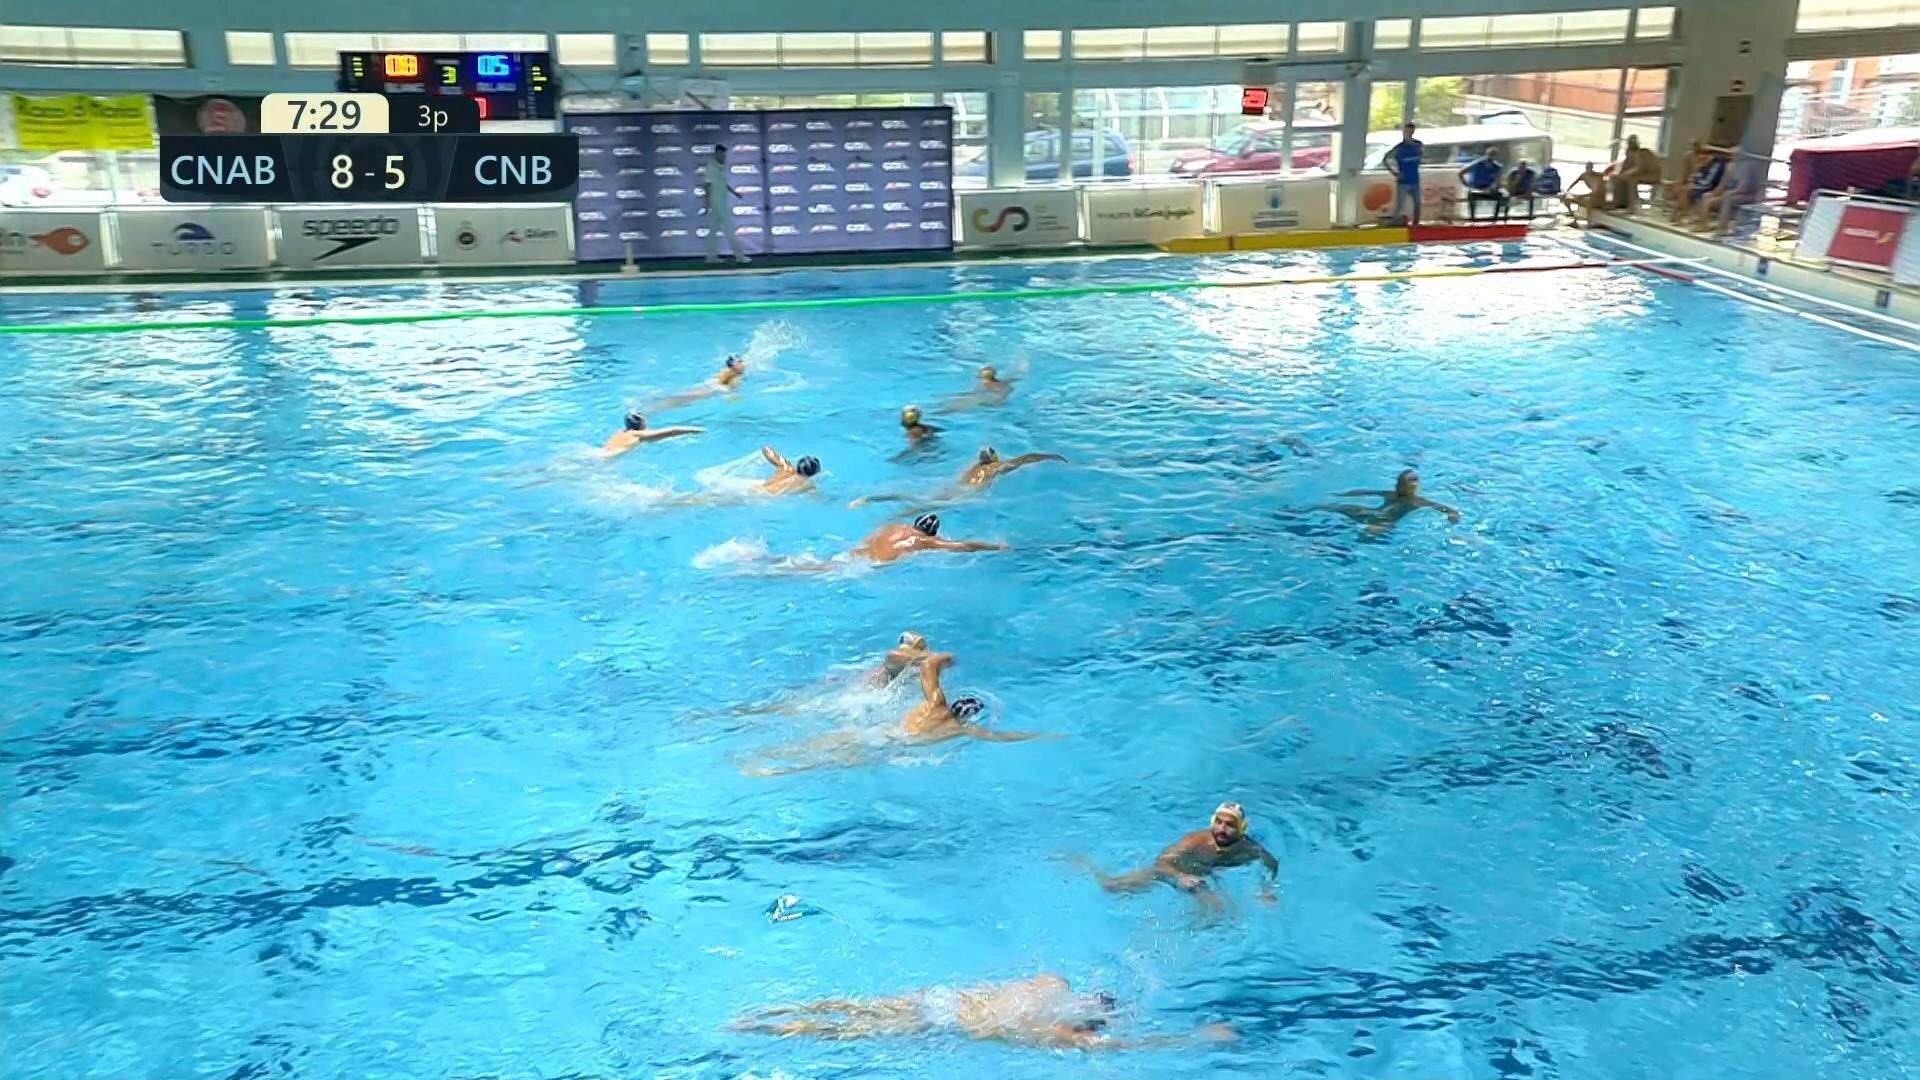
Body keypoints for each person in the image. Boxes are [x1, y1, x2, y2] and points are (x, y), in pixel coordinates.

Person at [739, 650, 1054, 776]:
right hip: (891, 748)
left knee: (818, 745)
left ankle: (764, 757)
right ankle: (776, 772)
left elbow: (929, 665)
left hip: (878, 733)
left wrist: (947, 659)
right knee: (826, 763)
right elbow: (1000, 737)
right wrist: (1040, 735)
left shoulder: (935, 703)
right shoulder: (961, 730)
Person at [731, 974, 1235, 1050]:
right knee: (851, 1032)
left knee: (855, 1008)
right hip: (942, 1019)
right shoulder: (1060, 1031)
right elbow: (1124, 1046)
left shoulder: (1051, 984)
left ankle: (768, 1013)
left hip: (942, 998)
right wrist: (1194, 1037)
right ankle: (774, 1029)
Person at [1079, 803, 1280, 912]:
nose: (1221, 829)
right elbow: (1162, 861)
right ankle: (1081, 862)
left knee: (1216, 914)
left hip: (1198, 881)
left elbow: (1271, 864)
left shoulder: (1248, 848)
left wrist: (1266, 890)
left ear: (1241, 829)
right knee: (1110, 885)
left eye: (1229, 825)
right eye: (1218, 822)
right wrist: (1179, 876)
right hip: (1170, 872)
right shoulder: (1196, 840)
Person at [851, 446, 1067, 509]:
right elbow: (1026, 458)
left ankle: (870, 499)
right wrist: (1051, 456)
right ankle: (873, 501)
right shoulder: (996, 467)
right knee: (923, 506)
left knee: (918, 500)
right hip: (965, 494)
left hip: (952, 486)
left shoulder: (974, 467)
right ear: (994, 458)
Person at [1317, 469, 1461, 535]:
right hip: (1372, 513)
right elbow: (1365, 492)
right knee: (1331, 507)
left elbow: (1445, 508)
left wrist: (1452, 515)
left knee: (1368, 533)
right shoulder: (1390, 494)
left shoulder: (1417, 502)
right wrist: (1341, 495)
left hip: (1386, 523)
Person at [848, 513, 1005, 563]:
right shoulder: (923, 541)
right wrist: (995, 547)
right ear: (932, 533)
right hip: (869, 566)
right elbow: (964, 546)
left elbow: (867, 540)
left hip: (852, 555)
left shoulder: (892, 527)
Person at [702, 144, 749, 265]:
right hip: (718, 203)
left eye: (724, 155)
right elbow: (707, 186)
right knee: (729, 228)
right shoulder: (711, 167)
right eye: (722, 155)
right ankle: (739, 256)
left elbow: (722, 183)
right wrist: (707, 204)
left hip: (719, 202)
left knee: (713, 230)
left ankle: (711, 257)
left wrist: (734, 193)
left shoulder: (718, 167)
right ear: (717, 154)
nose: (724, 157)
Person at [649, 356, 748, 412]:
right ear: (734, 366)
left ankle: (658, 403)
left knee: (683, 397)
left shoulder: (727, 371)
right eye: (740, 362)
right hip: (711, 390)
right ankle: (656, 407)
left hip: (709, 386)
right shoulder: (735, 377)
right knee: (684, 399)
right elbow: (729, 395)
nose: (743, 364)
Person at [600, 412, 703, 458]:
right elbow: (671, 431)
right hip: (607, 459)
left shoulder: (621, 432)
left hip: (599, 454)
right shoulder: (637, 435)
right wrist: (693, 430)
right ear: (642, 424)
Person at [1603, 134, 1662, 210]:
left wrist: (1626, 174)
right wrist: (1620, 174)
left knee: (1631, 179)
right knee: (1617, 178)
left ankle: (1632, 205)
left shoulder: (1641, 152)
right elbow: (1626, 166)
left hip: (1653, 174)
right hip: (1642, 174)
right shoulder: (1630, 153)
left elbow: (1639, 168)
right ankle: (1620, 202)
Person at [1670, 147, 1729, 223]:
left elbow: (1708, 182)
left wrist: (1694, 185)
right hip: (1701, 185)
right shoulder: (1703, 165)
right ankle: (1684, 214)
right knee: (1683, 190)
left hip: (1709, 187)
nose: (1701, 159)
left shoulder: (1717, 165)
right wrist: (1697, 172)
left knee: (1685, 190)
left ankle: (1687, 215)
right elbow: (1696, 178)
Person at [1385, 122, 1425, 226]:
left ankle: (1416, 225)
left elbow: (1421, 156)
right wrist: (1394, 173)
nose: (1409, 133)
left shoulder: (1418, 145)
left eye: (1411, 131)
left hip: (1414, 179)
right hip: (1403, 181)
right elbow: (1385, 159)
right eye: (1407, 132)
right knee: (1400, 206)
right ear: (1404, 132)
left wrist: (1419, 159)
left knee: (1418, 204)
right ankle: (1394, 225)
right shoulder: (1399, 148)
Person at [1459, 146, 1509, 223]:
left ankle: (1496, 219)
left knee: (1505, 194)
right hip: (1476, 188)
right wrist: (1467, 185)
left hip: (1489, 189)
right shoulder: (1478, 163)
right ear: (1486, 154)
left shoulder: (1498, 167)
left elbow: (1497, 181)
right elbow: (1461, 172)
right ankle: (1473, 219)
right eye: (1490, 154)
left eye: (1493, 155)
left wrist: (1492, 188)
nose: (1491, 157)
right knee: (1471, 194)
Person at [942, 365, 1016, 411]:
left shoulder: (984, 385)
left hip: (984, 403)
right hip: (989, 402)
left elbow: (975, 393)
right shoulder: (1003, 383)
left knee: (954, 408)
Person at [758, 446, 822, 495]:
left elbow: (766, 450)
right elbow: (816, 499)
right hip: (764, 498)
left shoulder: (786, 467)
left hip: (756, 487)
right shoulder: (807, 485)